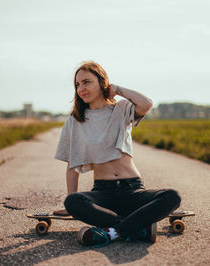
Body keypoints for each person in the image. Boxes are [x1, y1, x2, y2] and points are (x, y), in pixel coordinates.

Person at [54, 61, 181, 247]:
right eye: (77, 84)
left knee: (172, 196)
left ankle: (113, 232)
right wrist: (70, 207)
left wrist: (118, 89)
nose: (81, 88)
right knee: (73, 201)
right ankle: (136, 228)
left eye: (87, 82)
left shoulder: (121, 110)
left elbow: (146, 103)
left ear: (102, 82)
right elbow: (72, 168)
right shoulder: (75, 121)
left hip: (133, 190)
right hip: (103, 194)